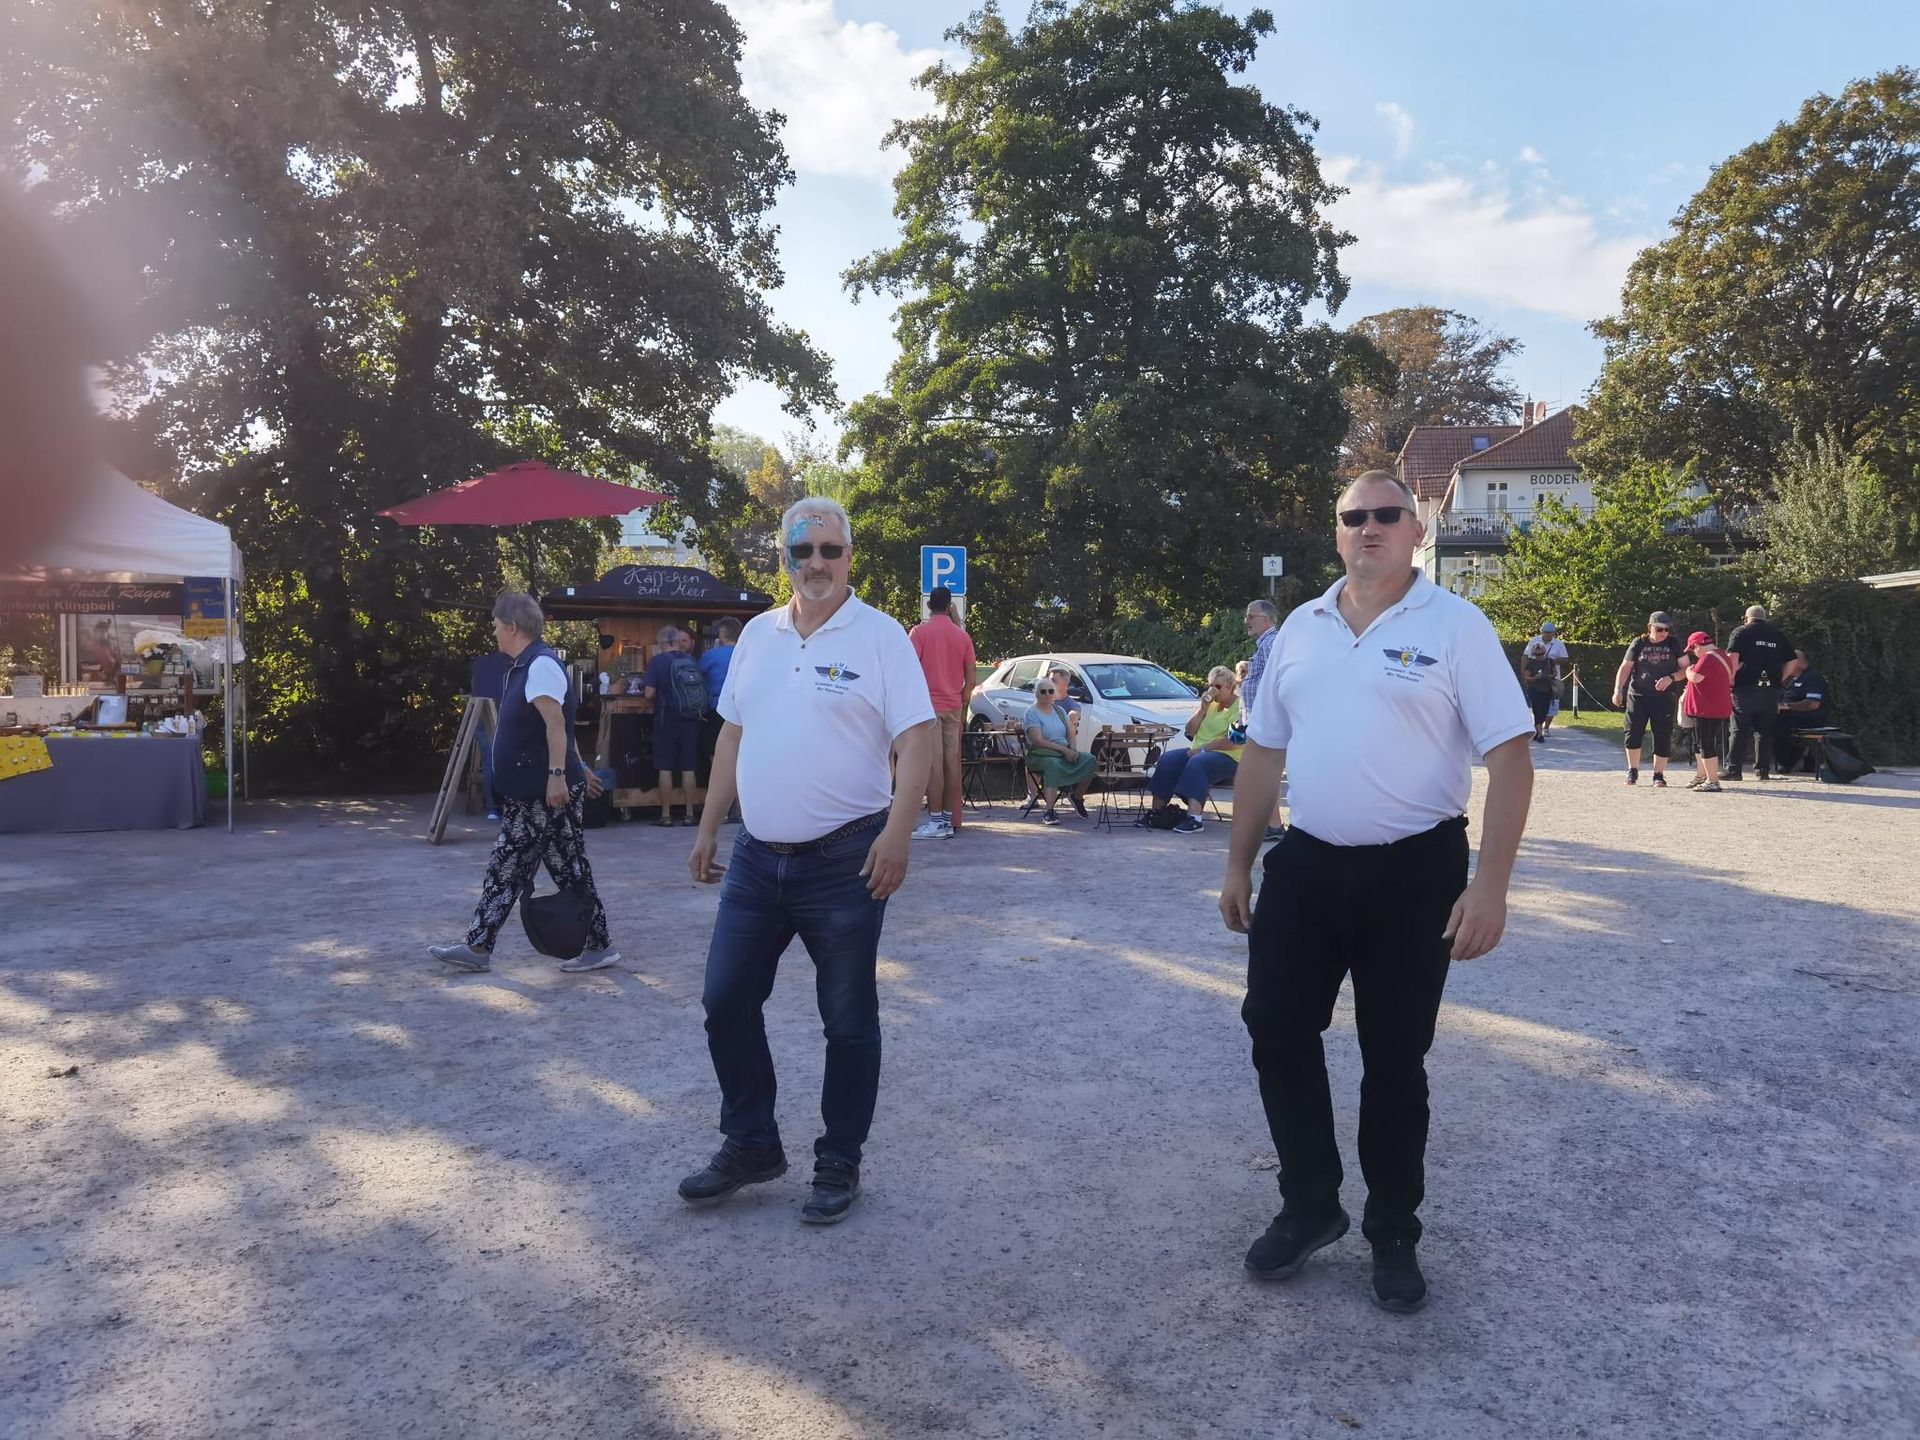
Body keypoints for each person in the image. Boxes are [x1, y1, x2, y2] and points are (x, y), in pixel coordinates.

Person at [1219, 470, 1535, 1314]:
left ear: (1416, 525)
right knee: (1275, 1026)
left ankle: (1393, 1229)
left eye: (1386, 515)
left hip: (1415, 872)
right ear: (1336, 532)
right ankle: (1312, 1204)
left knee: (1395, 1058)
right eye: (1353, 517)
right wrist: (1237, 861)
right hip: (1308, 864)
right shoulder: (1300, 628)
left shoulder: (1458, 626)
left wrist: (1491, 885)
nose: (1370, 528)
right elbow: (1262, 754)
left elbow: (1510, 757)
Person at [680, 496, 935, 1226]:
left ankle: (839, 1160)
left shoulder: (882, 637)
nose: (817, 564)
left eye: (830, 550)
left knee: (848, 1021)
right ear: (784, 560)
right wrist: (707, 830)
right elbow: (731, 737)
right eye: (803, 552)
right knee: (725, 1000)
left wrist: (899, 832)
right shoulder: (757, 636)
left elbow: (918, 738)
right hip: (757, 860)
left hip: (847, 860)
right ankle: (752, 1143)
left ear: (850, 556)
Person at [430, 593, 620, 974]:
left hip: (542, 794)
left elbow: (555, 724)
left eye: (498, 627)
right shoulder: (528, 665)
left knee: (515, 867)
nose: (496, 633)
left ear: (512, 627)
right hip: (536, 794)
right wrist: (576, 768)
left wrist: (557, 776)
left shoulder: (540, 666)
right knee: (562, 869)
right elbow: (555, 727)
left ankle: (480, 947)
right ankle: (594, 946)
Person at [1138, 666, 1243, 834]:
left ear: (1230, 688)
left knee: (1198, 762)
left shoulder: (1239, 707)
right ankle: (1157, 812)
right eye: (1210, 685)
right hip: (1198, 751)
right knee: (1168, 759)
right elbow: (1190, 731)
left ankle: (1194, 818)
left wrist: (1202, 749)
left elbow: (1233, 741)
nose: (1212, 690)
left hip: (1228, 755)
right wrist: (1202, 709)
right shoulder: (1209, 704)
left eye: (1218, 687)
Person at [908, 586, 977, 840]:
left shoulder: (919, 633)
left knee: (934, 764)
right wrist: (961, 701)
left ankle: (936, 821)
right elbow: (970, 678)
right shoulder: (962, 637)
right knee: (952, 763)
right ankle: (949, 818)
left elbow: (908, 671)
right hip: (954, 706)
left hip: (928, 707)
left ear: (929, 606)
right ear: (949, 605)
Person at [1610, 612, 1687, 787]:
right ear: (1650, 627)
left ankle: (1658, 775)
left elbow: (1685, 668)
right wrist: (1618, 690)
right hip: (1638, 695)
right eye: (1660, 629)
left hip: (1664, 697)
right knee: (1633, 732)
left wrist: (1672, 678)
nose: (1664, 633)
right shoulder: (1639, 643)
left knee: (1662, 734)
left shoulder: (1673, 643)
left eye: (1667, 629)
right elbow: (1626, 667)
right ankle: (1632, 770)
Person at [1724, 604, 1795, 782]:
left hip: (1744, 687)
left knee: (1739, 730)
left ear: (1746, 618)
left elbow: (1733, 657)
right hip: (1770, 690)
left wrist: (1731, 679)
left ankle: (1734, 770)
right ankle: (1762, 771)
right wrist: (1780, 679)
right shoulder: (1777, 635)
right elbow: (1793, 661)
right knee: (1764, 731)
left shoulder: (1741, 632)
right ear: (1765, 618)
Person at [642, 624, 702, 827]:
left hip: (666, 719)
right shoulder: (691, 660)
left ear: (662, 643)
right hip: (691, 718)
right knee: (688, 767)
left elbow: (649, 693)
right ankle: (689, 814)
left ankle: (666, 815)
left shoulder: (657, 662)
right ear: (677, 641)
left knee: (665, 767)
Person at [1240, 599, 1287, 843]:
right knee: (1265, 775)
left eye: (1251, 616)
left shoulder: (1271, 642)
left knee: (1266, 774)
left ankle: (1274, 826)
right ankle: (1271, 824)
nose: (1246, 621)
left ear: (1266, 619)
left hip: (1268, 723)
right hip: (1261, 721)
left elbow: (1279, 678)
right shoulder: (1267, 643)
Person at [1021, 676, 1096, 823]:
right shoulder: (1031, 713)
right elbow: (1038, 741)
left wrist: (1072, 750)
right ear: (1036, 694)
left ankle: (1077, 797)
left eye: (1050, 691)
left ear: (1054, 694)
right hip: (1040, 755)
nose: (1047, 694)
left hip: (1063, 752)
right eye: (1043, 691)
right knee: (1053, 765)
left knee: (1090, 760)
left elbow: (1071, 733)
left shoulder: (1060, 710)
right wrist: (1064, 750)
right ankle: (1049, 811)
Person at [1681, 630, 1734, 792]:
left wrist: (1688, 671)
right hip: (1711, 708)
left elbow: (1696, 677)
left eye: (1693, 649)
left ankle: (1712, 781)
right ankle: (1702, 775)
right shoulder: (1722, 655)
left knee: (1706, 744)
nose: (1694, 653)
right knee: (1700, 743)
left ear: (1697, 645)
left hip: (1707, 710)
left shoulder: (1708, 657)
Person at [696, 617, 740, 815]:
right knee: (741, 758)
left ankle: (721, 809)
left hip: (717, 709)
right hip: (742, 710)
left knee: (718, 757)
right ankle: (740, 808)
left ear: (721, 635)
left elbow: (697, 676)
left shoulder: (711, 656)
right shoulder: (747, 652)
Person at [469, 646, 512, 820]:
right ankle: (506, 806)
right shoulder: (512, 665)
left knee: (488, 761)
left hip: (478, 714)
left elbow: (474, 686)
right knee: (507, 760)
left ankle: (492, 809)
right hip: (501, 713)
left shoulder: (479, 663)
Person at [1773, 651, 1831, 774]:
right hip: (1791, 716)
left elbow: (1812, 704)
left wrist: (1786, 706)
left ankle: (1787, 762)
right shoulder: (1794, 679)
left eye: (1786, 663)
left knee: (1778, 723)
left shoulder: (1813, 677)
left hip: (1810, 717)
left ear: (1796, 662)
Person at [1530, 621, 1569, 735]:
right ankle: (1538, 726)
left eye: (1549, 633)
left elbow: (1565, 659)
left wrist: (1551, 661)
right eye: (1545, 632)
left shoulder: (1559, 644)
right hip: (1537, 677)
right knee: (1537, 702)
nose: (1547, 635)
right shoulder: (1534, 641)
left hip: (1553, 678)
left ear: (1553, 633)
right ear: (1542, 632)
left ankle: (1546, 727)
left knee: (1553, 703)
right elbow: (1527, 656)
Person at [1520, 638, 1556, 743]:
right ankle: (1540, 735)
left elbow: (1554, 673)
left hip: (1547, 689)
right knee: (1537, 711)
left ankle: (1538, 731)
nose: (1540, 656)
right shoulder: (1531, 663)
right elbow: (1527, 678)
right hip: (1535, 690)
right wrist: (1536, 677)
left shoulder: (1549, 661)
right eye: (1537, 655)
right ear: (1534, 654)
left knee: (1544, 711)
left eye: (1542, 654)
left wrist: (1549, 675)